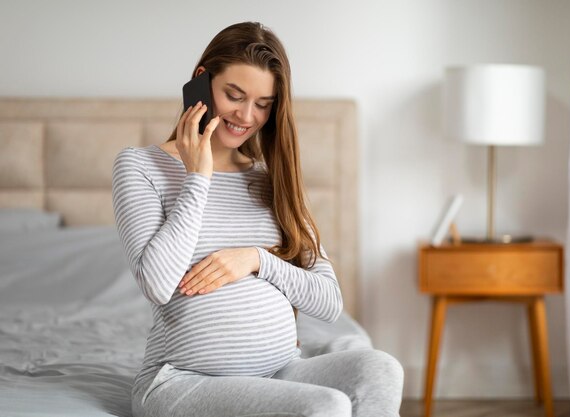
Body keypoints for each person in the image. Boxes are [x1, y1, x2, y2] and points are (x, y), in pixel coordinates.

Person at [112, 21, 404, 417]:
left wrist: (257, 259)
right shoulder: (140, 166)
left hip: (279, 373)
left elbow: (329, 303)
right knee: (326, 406)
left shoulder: (271, 180)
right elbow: (158, 284)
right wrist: (198, 176)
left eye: (263, 104)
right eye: (234, 95)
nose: (246, 115)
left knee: (381, 368)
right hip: (181, 381)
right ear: (202, 81)